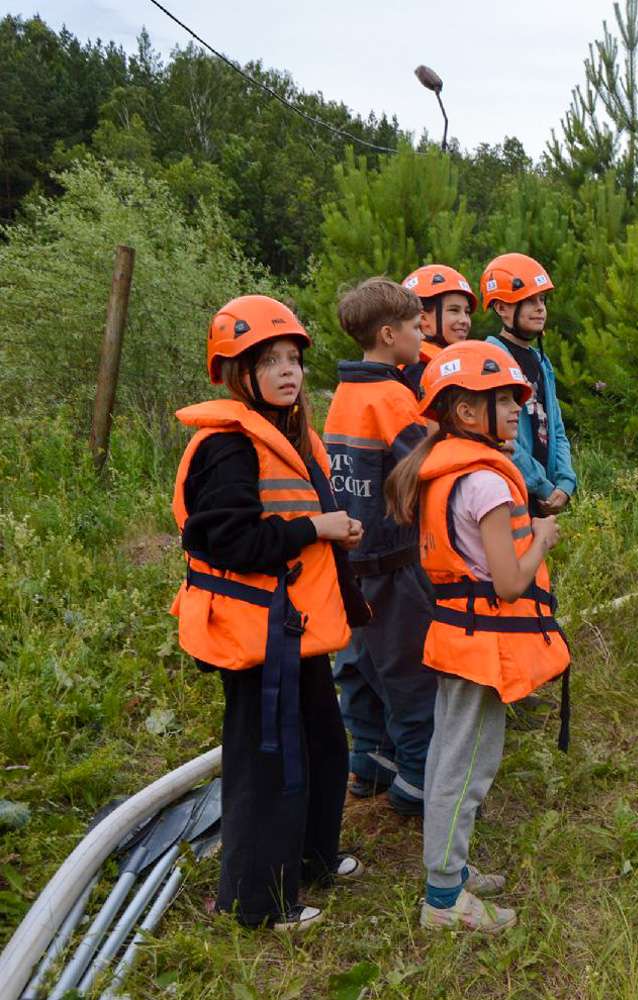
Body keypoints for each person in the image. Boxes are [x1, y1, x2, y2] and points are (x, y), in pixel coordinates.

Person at [171, 295, 366, 931]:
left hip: (294, 629)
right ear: (236, 373)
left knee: (321, 746)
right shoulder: (227, 446)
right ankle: (256, 901)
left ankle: (310, 855)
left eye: (294, 359)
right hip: (256, 635)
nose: (289, 372)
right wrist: (314, 528)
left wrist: (333, 532)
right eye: (271, 361)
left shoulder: (288, 433)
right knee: (268, 763)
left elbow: (296, 519)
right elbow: (226, 540)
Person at [384, 339, 570, 934]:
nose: (520, 408)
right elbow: (511, 583)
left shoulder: (452, 470)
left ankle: (452, 872)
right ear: (466, 413)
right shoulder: (487, 484)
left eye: (519, 398)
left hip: (459, 637)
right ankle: (443, 901)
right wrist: (542, 536)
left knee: (449, 757)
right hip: (481, 645)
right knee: (464, 771)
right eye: (505, 400)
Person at [323, 277, 436, 817]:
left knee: (359, 667)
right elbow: (423, 466)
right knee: (411, 674)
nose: (424, 335)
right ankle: (417, 783)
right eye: (417, 327)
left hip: (349, 561)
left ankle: (367, 763)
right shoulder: (392, 396)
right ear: (389, 335)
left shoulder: (345, 394)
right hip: (393, 562)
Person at [480, 252, 576, 518]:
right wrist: (543, 486)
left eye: (542, 300)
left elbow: (556, 428)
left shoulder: (541, 361)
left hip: (544, 497)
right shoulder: (490, 360)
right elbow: (502, 440)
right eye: (529, 300)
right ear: (501, 308)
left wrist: (565, 483)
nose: (540, 308)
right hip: (512, 493)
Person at [400, 263, 476, 395]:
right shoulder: (416, 370)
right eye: (454, 310)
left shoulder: (450, 364)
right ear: (423, 319)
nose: (464, 320)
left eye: (467, 312)